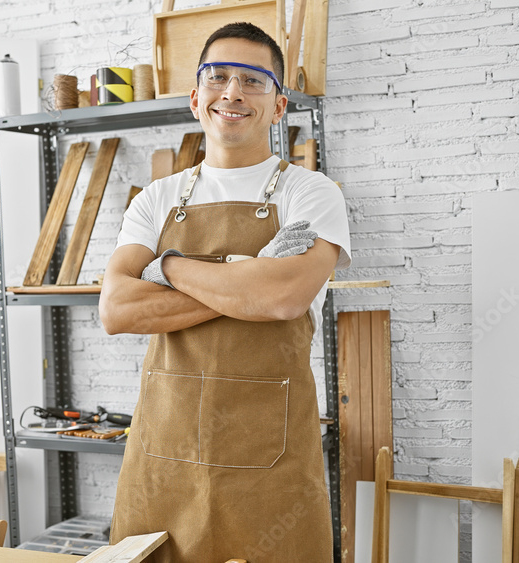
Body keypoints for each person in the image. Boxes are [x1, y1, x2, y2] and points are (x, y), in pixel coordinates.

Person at [98, 21, 351, 562]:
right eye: (218, 77)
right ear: (196, 97)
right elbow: (117, 309)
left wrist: (164, 266)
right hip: (161, 457)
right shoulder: (155, 199)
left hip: (271, 465)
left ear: (280, 106)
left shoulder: (312, 194)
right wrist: (244, 277)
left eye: (253, 80)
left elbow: (282, 299)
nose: (232, 92)